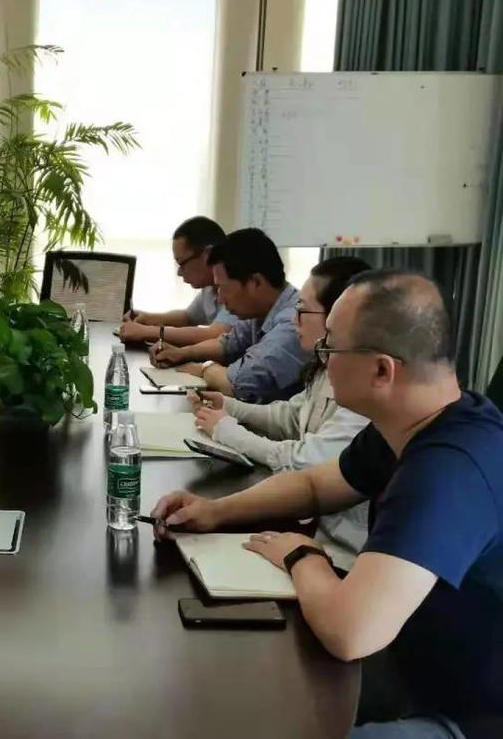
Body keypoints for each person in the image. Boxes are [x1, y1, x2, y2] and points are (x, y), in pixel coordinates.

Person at [150, 270, 503, 739]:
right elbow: (316, 485)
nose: (320, 358)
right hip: (410, 663)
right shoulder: (414, 422)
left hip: (463, 715)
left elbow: (350, 631)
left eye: (331, 347)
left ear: (382, 370)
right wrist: (215, 510)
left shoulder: (448, 471)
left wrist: (302, 555)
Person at [187, 256, 371, 569]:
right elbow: (291, 416)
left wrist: (227, 430)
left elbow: (304, 463)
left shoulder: (362, 389)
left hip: (340, 554)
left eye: (303, 311)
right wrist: (230, 407)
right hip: (313, 531)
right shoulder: (328, 367)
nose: (294, 321)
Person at [150, 227, 309, 404]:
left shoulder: (293, 322)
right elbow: (227, 344)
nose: (220, 299)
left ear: (255, 282)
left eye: (223, 288)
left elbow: (240, 384)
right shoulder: (260, 311)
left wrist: (205, 368)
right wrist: (182, 353)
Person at [119, 216, 237, 346]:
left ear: (208, 254)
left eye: (182, 263)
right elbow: (188, 317)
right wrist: (148, 318)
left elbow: (215, 335)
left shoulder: (237, 284)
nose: (179, 272)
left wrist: (146, 332)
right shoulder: (209, 288)